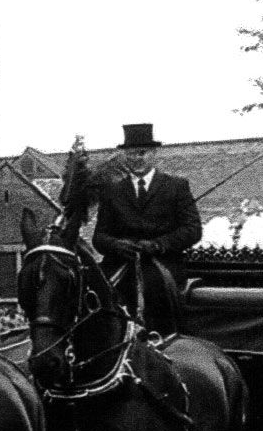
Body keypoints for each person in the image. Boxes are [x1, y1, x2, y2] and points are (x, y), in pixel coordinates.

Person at [73, 123, 203, 336]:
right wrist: (116, 245)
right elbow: (99, 237)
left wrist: (158, 245)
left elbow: (192, 229)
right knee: (90, 291)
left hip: (161, 263)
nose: (137, 158)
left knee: (153, 288)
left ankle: (161, 338)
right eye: (131, 154)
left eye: (142, 153)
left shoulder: (176, 186)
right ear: (125, 156)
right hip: (120, 262)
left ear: (153, 154)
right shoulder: (112, 191)